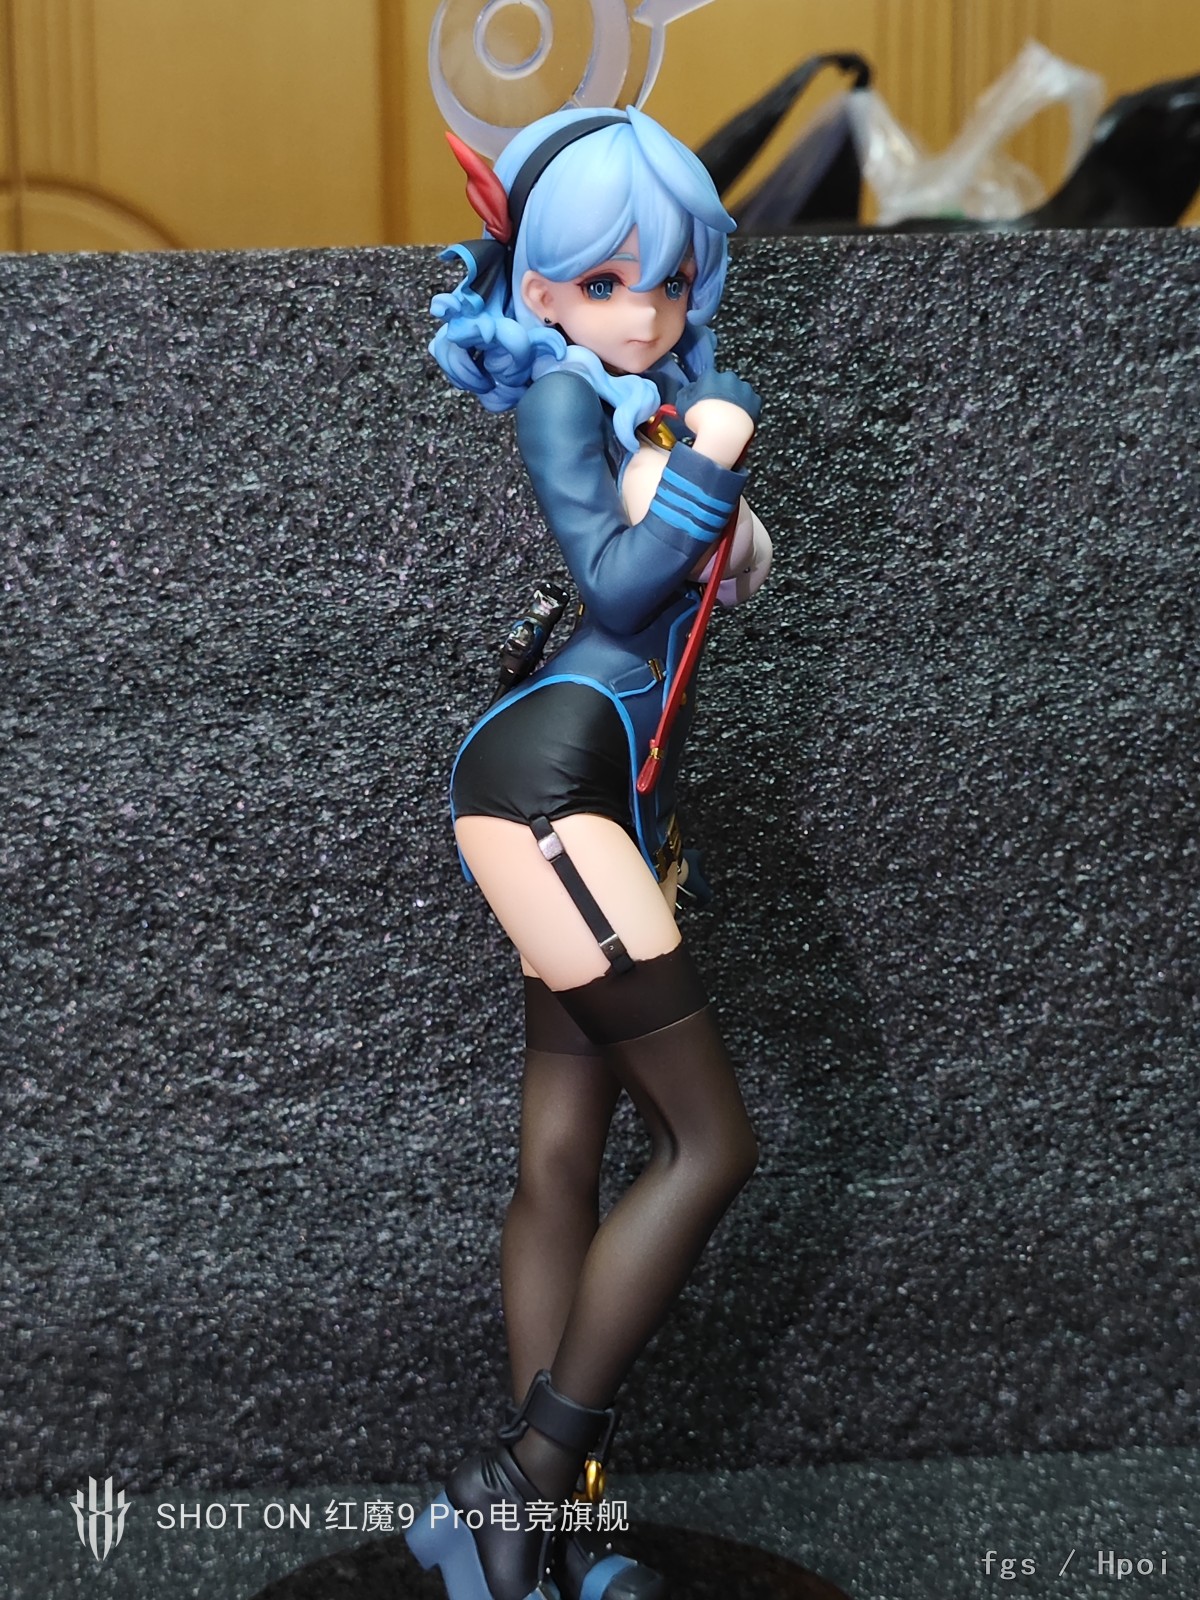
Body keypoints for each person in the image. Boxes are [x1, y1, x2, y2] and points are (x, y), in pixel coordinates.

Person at [407, 105, 771, 1600]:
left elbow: (709, 591)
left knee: (561, 1156)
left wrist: (695, 449)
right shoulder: (565, 400)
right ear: (542, 288)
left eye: (671, 282)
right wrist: (713, 454)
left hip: (600, 801)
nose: (648, 313)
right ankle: (526, 1486)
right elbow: (620, 593)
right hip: (549, 790)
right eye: (610, 282)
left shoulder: (645, 410)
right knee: (711, 1143)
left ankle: (533, 1545)